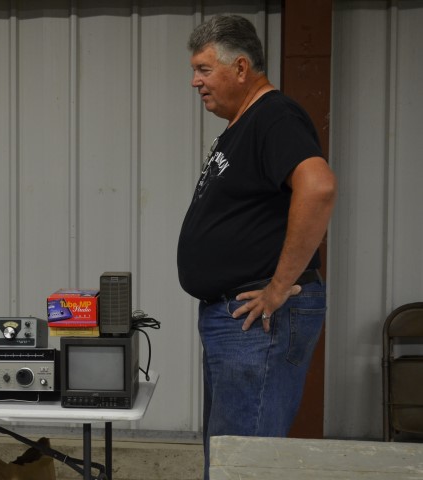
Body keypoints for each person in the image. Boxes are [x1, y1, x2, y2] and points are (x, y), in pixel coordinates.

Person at [176, 15, 337, 480]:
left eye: (204, 69)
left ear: (241, 67)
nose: (195, 82)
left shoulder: (274, 115)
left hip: (257, 319)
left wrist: (279, 287)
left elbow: (319, 187)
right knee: (229, 456)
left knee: (244, 465)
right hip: (236, 320)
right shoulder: (244, 123)